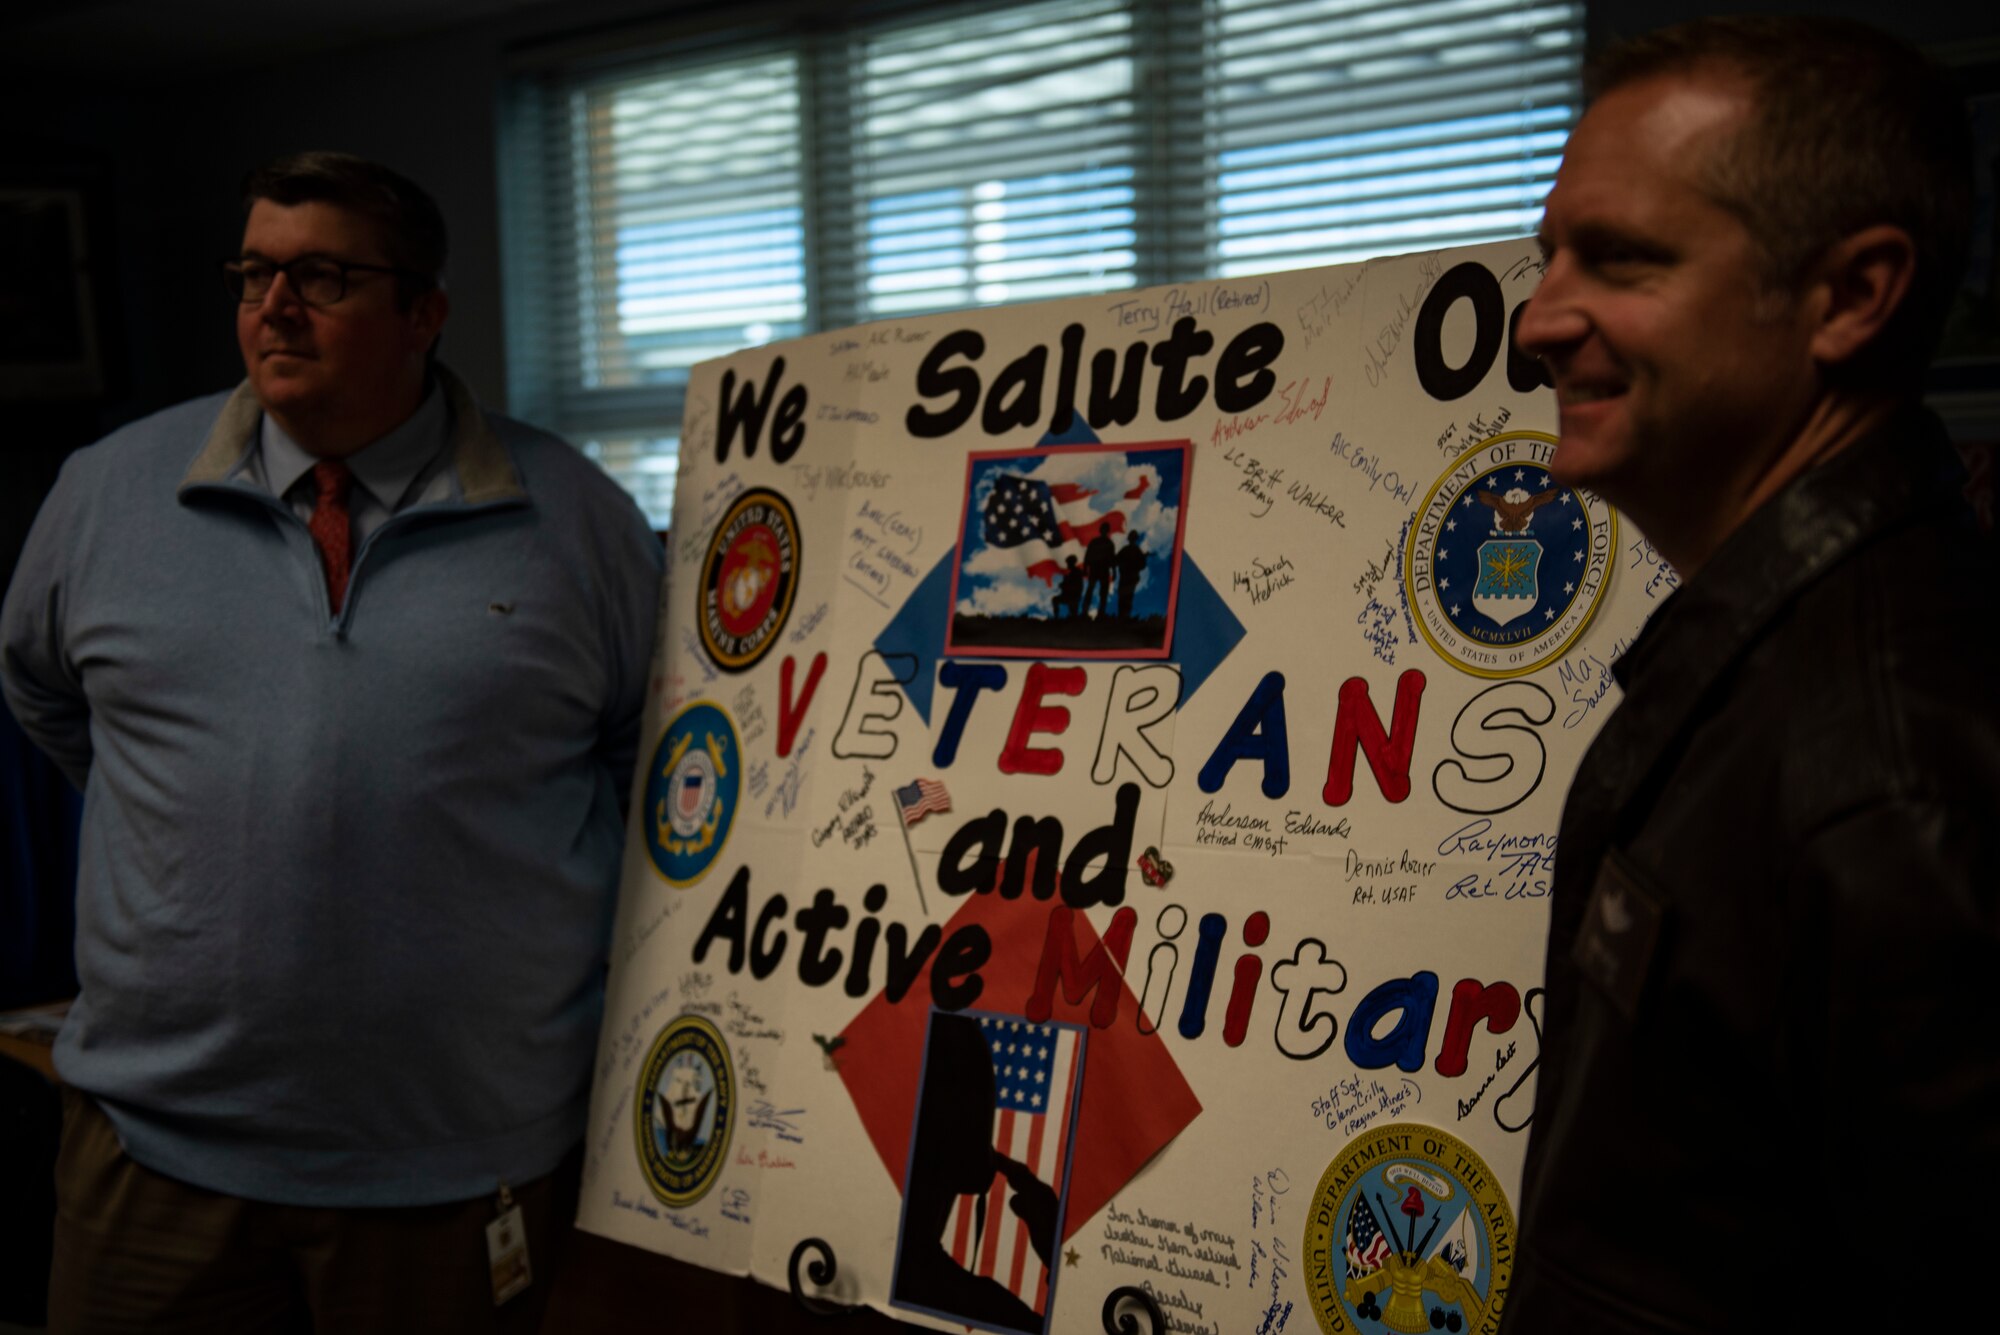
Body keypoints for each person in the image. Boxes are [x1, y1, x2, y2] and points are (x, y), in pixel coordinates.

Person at [1, 151, 663, 1332]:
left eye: (323, 276)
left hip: (459, 1162)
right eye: (253, 272)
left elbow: (642, 763)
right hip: (154, 1154)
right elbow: (54, 704)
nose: (273, 306)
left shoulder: (575, 516)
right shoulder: (105, 493)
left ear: (423, 312)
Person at [1504, 17, 1997, 1331]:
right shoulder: (1770, 646)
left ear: (1850, 297)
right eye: (1548, 253)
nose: (1541, 318)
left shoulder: (1894, 777)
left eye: (1619, 260)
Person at [1082, 521, 1116, 617]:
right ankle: (1085, 611)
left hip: (1103, 569)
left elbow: (1112, 559)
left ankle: (1100, 613)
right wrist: (1085, 569)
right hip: (1096, 569)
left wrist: (1114, 572)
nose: (1105, 531)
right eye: (1104, 529)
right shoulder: (1097, 542)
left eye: (1106, 529)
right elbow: (1088, 556)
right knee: (1091, 590)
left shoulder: (1108, 543)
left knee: (1102, 592)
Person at [1113, 531, 1146, 620]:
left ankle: (1124, 616)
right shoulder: (1135, 550)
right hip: (1128, 576)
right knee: (1127, 596)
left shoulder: (1128, 550)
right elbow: (1116, 561)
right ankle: (1123, 616)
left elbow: (1116, 561)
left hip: (1128, 577)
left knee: (1125, 596)